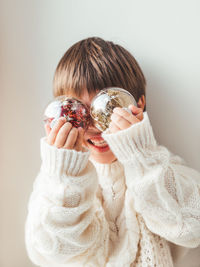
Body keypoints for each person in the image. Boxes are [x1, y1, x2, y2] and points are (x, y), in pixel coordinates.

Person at [25, 37, 200, 267]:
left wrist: (141, 154)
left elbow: (191, 228)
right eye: (78, 113)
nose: (95, 127)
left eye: (109, 109)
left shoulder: (157, 166)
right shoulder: (54, 181)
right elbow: (50, 253)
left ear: (139, 105)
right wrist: (64, 174)